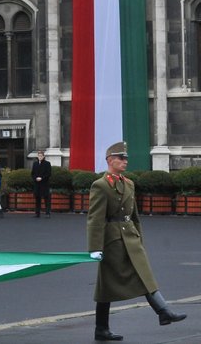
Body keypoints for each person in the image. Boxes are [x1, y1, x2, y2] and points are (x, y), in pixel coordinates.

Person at [88, 141, 186, 341]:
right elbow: (95, 219)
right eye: (121, 159)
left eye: (126, 159)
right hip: (112, 239)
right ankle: (160, 312)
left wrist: (139, 238)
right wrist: (95, 247)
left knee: (143, 274)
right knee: (107, 286)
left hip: (130, 237)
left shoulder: (129, 183)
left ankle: (163, 311)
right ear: (110, 161)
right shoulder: (101, 185)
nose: (125, 162)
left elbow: (134, 216)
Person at [31, 151, 52, 218]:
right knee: (37, 199)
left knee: (46, 198)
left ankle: (47, 213)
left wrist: (42, 178)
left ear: (43, 156)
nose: (40, 157)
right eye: (39, 156)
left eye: (41, 156)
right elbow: (32, 173)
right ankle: (37, 213)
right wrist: (35, 178)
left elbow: (48, 173)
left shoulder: (47, 164)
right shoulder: (35, 164)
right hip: (37, 184)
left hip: (44, 183)